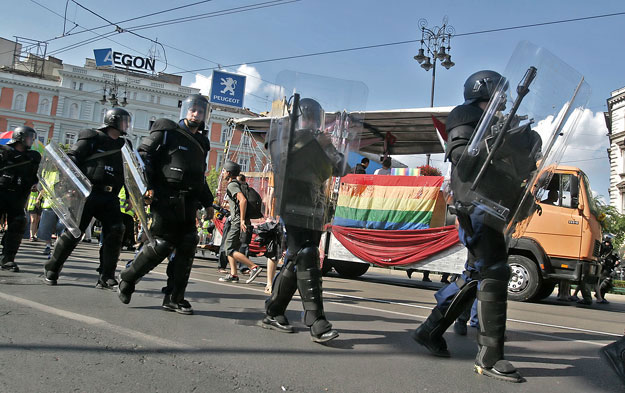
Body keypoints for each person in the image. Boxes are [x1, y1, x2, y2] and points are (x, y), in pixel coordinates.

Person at [411, 70, 541, 383]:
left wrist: (524, 143)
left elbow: (518, 167)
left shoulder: (501, 122)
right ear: (485, 91)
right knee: (494, 271)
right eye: (499, 94)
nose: (503, 101)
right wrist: (495, 137)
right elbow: (462, 157)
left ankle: (429, 331)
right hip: (476, 205)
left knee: (476, 273)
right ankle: (489, 356)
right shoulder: (465, 114)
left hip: (495, 207)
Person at [117, 94, 215, 315]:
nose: (196, 114)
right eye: (193, 110)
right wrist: (147, 186)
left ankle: (174, 298)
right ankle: (128, 278)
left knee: (188, 244)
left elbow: (199, 176)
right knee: (161, 244)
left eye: (200, 111)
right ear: (185, 111)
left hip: (189, 202)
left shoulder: (202, 142)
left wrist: (208, 202)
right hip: (164, 197)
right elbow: (143, 156)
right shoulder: (166, 130)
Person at [262, 97, 344, 343]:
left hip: (315, 204)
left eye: (314, 118)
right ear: (297, 116)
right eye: (306, 117)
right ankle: (316, 320)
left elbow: (341, 168)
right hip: (291, 202)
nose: (310, 122)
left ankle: (274, 310)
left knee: (296, 257)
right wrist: (313, 143)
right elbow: (283, 162)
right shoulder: (282, 132)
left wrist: (331, 149)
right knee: (306, 254)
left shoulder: (318, 139)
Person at [43, 108, 130, 289]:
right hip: (88, 193)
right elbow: (71, 160)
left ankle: (106, 276)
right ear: (113, 120)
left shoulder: (124, 145)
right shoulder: (92, 137)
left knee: (116, 230)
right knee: (76, 232)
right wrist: (68, 187)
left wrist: (131, 197)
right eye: (124, 121)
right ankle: (52, 267)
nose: (126, 125)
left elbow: (129, 174)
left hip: (111, 195)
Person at [0, 126, 42, 272]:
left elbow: (36, 175)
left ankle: (8, 258)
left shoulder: (33, 157)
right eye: (30, 137)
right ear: (20, 137)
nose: (32, 141)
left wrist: (37, 183)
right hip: (1, 192)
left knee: (18, 223)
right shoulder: (3, 152)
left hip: (18, 196)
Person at [217, 161, 263, 284]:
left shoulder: (232, 185)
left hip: (237, 221)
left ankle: (254, 267)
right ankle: (234, 275)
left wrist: (241, 220)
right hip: (240, 220)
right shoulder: (239, 183)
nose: (223, 173)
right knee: (232, 248)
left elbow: (242, 201)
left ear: (228, 172)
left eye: (224, 171)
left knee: (229, 249)